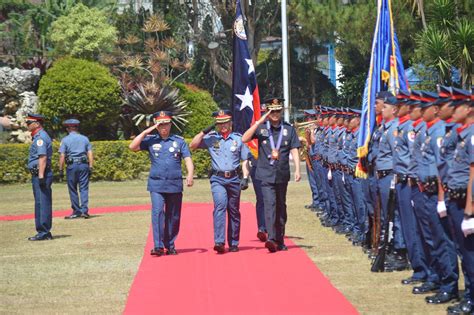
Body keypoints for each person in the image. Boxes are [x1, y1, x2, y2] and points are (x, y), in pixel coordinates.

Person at [129, 111, 194, 256]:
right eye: (160, 124)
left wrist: (190, 174)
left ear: (171, 124)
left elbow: (187, 158)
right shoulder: (151, 140)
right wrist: (148, 130)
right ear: (157, 125)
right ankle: (158, 246)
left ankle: (170, 245)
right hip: (156, 184)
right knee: (157, 212)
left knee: (173, 215)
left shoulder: (179, 141)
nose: (164, 127)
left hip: (174, 183)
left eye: (166, 124)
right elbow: (132, 147)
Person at [242, 98, 301, 253]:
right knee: (270, 205)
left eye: (277, 111)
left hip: (281, 174)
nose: (275, 114)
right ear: (267, 112)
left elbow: (294, 149)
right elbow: (244, 138)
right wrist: (260, 120)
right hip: (265, 174)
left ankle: (280, 239)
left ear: (281, 111)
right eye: (271, 111)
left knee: (281, 207)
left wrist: (297, 169)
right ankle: (271, 239)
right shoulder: (262, 128)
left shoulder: (288, 129)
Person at [189, 109, 250, 253]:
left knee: (234, 211)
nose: (223, 125)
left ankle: (234, 242)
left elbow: (246, 159)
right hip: (218, 179)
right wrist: (204, 131)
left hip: (234, 178)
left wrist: (246, 177)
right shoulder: (211, 138)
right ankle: (219, 242)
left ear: (230, 123)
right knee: (220, 206)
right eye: (220, 123)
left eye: (226, 122)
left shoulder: (238, 138)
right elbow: (193, 145)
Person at [59, 119, 94, 219]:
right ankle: (84, 211)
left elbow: (62, 155)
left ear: (68, 128)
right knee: (84, 188)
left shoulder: (65, 140)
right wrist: (90, 166)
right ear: (77, 128)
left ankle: (76, 211)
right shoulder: (85, 139)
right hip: (83, 165)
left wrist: (61, 169)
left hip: (72, 165)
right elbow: (90, 153)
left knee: (73, 189)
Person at [26, 113, 53, 241]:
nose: (27, 125)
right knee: (40, 202)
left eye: (29, 123)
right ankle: (43, 231)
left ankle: (44, 232)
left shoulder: (40, 138)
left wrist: (41, 176)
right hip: (39, 173)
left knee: (42, 202)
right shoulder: (38, 137)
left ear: (37, 124)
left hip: (41, 174)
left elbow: (42, 157)